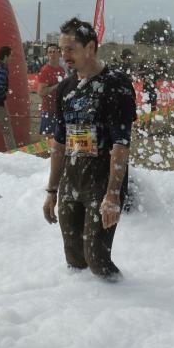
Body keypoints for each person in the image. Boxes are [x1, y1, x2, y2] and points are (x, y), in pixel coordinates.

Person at [42, 17, 136, 279]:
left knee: (97, 259)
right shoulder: (66, 88)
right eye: (62, 50)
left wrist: (113, 195)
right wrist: (52, 190)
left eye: (70, 49)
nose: (64, 56)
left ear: (91, 48)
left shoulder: (115, 84)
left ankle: (126, 305)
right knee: (74, 258)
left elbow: (121, 143)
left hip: (101, 179)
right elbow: (59, 144)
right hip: (72, 177)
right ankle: (84, 313)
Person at [37, 43, 66, 141]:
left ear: (59, 54)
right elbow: (41, 92)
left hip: (59, 109)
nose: (52, 54)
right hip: (48, 110)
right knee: (47, 140)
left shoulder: (62, 70)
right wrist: (56, 87)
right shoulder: (45, 70)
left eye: (54, 52)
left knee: (59, 140)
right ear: (47, 55)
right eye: (50, 52)